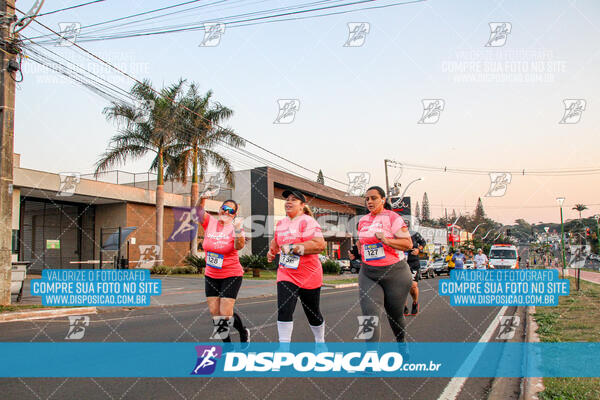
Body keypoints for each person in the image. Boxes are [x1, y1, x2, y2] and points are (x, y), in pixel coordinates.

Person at [267, 189, 327, 345]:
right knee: (284, 309)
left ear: (302, 205)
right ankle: (284, 348)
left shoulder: (308, 221)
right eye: (287, 199)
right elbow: (276, 242)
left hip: (309, 274)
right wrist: (271, 251)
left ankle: (320, 341)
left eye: (293, 199)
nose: (288, 201)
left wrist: (294, 248)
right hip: (287, 273)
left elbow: (319, 245)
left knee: (312, 312)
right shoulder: (281, 223)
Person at [356, 186, 413, 342]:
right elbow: (361, 242)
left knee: (395, 316)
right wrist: (360, 249)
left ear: (383, 199)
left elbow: (408, 244)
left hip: (395, 273)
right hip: (368, 273)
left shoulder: (393, 218)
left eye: (373, 198)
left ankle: (401, 342)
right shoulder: (362, 221)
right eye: (367, 199)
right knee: (368, 315)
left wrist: (386, 240)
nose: (369, 201)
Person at [201, 199, 250, 343]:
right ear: (220, 209)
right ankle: (228, 347)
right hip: (211, 274)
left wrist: (237, 229)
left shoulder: (235, 227)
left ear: (234, 215)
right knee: (215, 314)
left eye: (231, 211)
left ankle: (243, 331)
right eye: (224, 208)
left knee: (226, 315)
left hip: (231, 274)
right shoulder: (209, 222)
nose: (226, 212)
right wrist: (202, 198)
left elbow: (239, 246)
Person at [404, 231, 427, 316]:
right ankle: (403, 306)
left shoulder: (414, 234)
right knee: (402, 286)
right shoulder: (392, 234)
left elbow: (423, 242)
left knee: (413, 286)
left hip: (413, 263)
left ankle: (415, 303)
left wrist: (418, 249)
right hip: (400, 263)